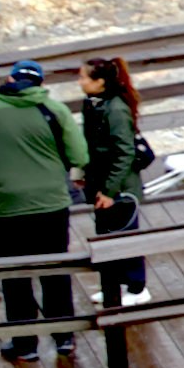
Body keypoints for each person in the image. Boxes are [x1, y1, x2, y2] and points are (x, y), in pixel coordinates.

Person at [0, 56, 91, 368]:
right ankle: (64, 337)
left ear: (11, 80)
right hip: (51, 205)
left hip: (6, 207)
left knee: (15, 276)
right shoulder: (54, 109)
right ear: (40, 83)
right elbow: (80, 156)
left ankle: (25, 345)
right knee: (56, 271)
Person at [79, 55, 154, 312]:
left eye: (83, 77)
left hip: (121, 188)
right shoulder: (92, 104)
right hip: (100, 180)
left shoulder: (116, 110)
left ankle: (137, 288)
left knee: (125, 236)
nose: (80, 82)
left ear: (100, 81)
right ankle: (111, 285)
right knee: (105, 235)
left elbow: (124, 154)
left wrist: (110, 191)